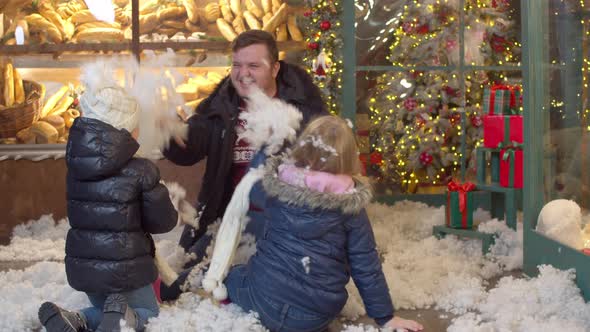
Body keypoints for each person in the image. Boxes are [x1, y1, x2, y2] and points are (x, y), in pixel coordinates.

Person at [223, 115, 424, 332]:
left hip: (264, 299)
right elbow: (366, 265)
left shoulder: (277, 187)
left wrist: (264, 150)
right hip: (314, 316)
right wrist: (385, 317)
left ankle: (217, 292)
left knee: (235, 275)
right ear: (349, 160)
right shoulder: (351, 206)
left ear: (302, 148)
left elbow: (252, 192)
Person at [162, 30, 327, 260]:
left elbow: (326, 167)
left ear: (275, 68)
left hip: (285, 224)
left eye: (253, 66)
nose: (243, 74)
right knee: (181, 284)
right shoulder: (221, 107)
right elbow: (188, 150)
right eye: (237, 65)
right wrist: (169, 130)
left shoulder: (304, 111)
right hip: (225, 218)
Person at [38, 82, 178, 332]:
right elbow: (163, 221)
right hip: (127, 270)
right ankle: (121, 319)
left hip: (87, 271)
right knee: (149, 312)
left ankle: (77, 319)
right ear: (126, 131)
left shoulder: (77, 169)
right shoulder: (141, 171)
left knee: (107, 307)